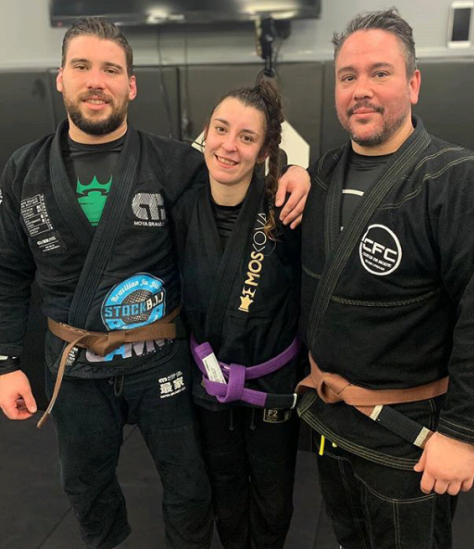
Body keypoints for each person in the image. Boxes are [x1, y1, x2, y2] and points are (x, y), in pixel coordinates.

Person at [0, 17, 309, 549]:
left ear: (131, 85)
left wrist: (298, 172)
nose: (96, 80)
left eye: (110, 69)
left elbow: (237, 174)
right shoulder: (23, 169)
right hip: (74, 365)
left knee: (190, 487)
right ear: (60, 77)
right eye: (82, 66)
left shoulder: (175, 162)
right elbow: (8, 269)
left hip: (159, 360)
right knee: (84, 486)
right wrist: (6, 363)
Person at [297, 8, 474, 549]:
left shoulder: (457, 179)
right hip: (332, 421)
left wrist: (463, 435)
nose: (361, 89)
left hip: (410, 439)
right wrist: (291, 171)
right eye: (348, 76)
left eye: (379, 73)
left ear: (413, 84)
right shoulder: (322, 175)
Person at [173, 80, 305, 549]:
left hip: (272, 384)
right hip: (211, 382)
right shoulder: (183, 211)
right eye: (221, 129)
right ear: (206, 133)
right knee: (224, 491)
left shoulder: (286, 212)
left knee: (273, 499)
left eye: (246, 137)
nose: (229, 145)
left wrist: (303, 173)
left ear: (265, 150)